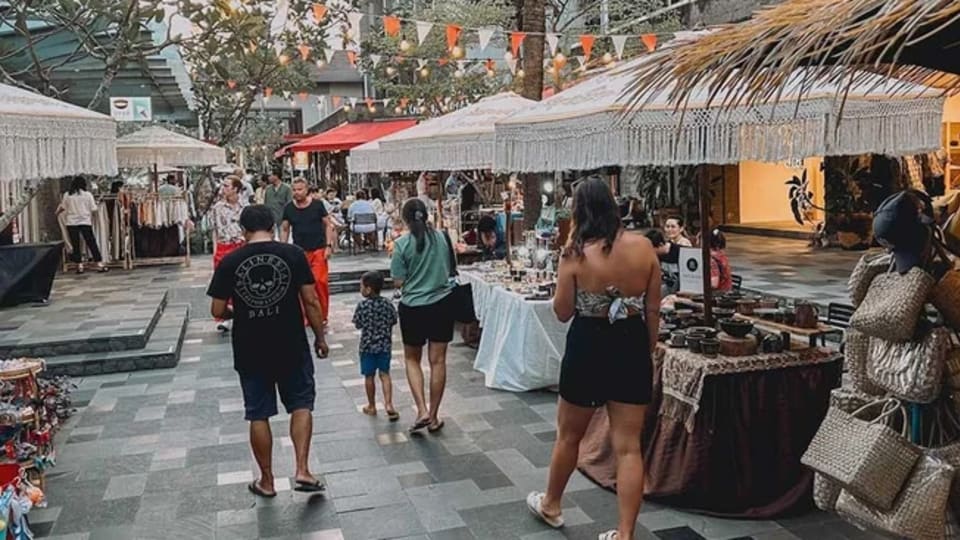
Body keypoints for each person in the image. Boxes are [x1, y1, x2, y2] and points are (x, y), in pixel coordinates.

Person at [527, 176, 661, 540]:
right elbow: (653, 309)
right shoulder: (645, 247)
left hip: (588, 344)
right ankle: (626, 533)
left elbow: (562, 311)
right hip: (631, 343)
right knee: (629, 446)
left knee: (569, 435)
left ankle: (552, 504)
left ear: (579, 209)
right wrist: (645, 350)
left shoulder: (575, 253)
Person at [207, 205, 329, 498]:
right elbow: (311, 301)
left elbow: (217, 309)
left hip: (250, 346)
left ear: (243, 229)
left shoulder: (231, 261)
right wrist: (320, 337)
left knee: (258, 413)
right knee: (301, 404)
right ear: (273, 225)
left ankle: (267, 480)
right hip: (291, 341)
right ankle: (302, 469)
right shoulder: (293, 255)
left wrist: (244, 309)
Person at [390, 198, 455, 433]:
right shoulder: (442, 238)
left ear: (405, 219)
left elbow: (398, 280)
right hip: (441, 303)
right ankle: (435, 416)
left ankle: (421, 409)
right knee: (438, 361)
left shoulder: (401, 245)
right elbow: (449, 268)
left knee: (412, 359)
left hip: (413, 307)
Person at [281, 178, 331, 323]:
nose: (297, 192)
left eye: (300, 189)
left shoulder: (317, 205)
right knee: (302, 284)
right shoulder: (289, 208)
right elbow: (285, 228)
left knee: (320, 282)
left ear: (306, 190)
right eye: (294, 190)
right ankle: (305, 316)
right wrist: (282, 248)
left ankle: (321, 315)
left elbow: (328, 224)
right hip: (300, 251)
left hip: (318, 249)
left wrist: (328, 246)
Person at [352, 271, 400, 421]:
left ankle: (372, 405)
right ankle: (389, 404)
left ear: (368, 289)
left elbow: (357, 324)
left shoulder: (362, 306)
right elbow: (394, 320)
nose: (360, 289)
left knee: (369, 376)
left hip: (367, 347)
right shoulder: (387, 304)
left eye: (361, 286)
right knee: (385, 375)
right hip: (384, 345)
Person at [210, 176, 247, 332]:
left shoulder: (245, 206)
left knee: (242, 280)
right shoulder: (217, 207)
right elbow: (214, 230)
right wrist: (215, 248)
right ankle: (224, 317)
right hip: (224, 245)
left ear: (235, 189)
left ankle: (240, 311)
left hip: (240, 244)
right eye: (223, 185)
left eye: (226, 186)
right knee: (222, 281)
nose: (223, 188)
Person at [57, 177, 108, 274]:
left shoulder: (67, 195)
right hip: (85, 221)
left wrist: (57, 213)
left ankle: (79, 265)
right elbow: (94, 209)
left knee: (76, 244)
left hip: (71, 222)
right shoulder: (88, 195)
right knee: (91, 242)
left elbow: (63, 207)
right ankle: (99, 263)